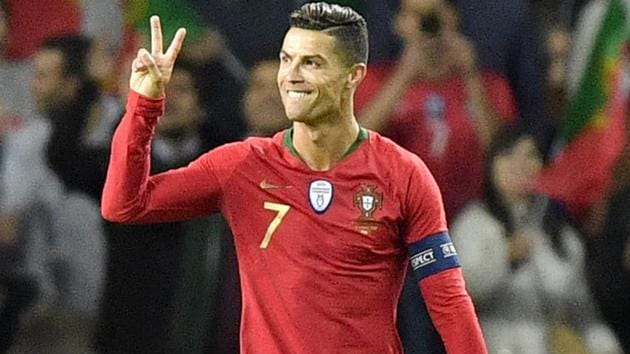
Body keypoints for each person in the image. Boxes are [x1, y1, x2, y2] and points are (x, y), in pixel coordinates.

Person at [102, 3, 487, 353]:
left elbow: (448, 301)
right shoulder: (243, 166)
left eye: (312, 63)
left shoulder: (403, 174)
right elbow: (124, 205)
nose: (290, 77)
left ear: (353, 76)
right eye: (288, 60)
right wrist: (144, 106)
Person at [450, 127, 621, 353]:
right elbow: (459, 295)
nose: (518, 163)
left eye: (530, 155)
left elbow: (582, 311)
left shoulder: (563, 237)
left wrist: (607, 348)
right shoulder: (473, 224)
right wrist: (506, 256)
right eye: (508, 154)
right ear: (491, 163)